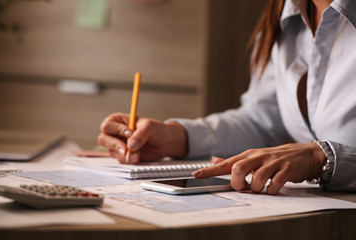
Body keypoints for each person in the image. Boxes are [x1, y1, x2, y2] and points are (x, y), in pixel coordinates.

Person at [98, 0, 356, 194]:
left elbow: (311, 153)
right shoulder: (284, 15)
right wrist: (175, 137)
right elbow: (261, 121)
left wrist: (320, 158)